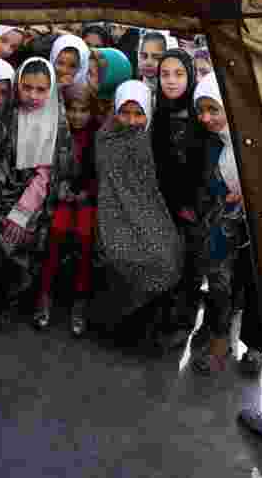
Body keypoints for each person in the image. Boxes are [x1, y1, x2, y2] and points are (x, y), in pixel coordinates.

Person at [0, 58, 74, 330]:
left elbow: (46, 176)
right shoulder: (5, 114)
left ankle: (7, 302)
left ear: (51, 90)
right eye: (27, 87)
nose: (33, 96)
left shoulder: (55, 123)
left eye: (41, 89)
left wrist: (20, 215)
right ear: (17, 86)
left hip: (33, 201)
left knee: (14, 237)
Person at [86, 80, 184, 350]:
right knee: (121, 254)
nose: (131, 121)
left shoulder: (156, 140)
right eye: (124, 112)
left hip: (150, 212)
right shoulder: (105, 138)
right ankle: (118, 328)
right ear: (114, 110)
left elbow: (155, 188)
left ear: (149, 113)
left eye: (138, 113)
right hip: (113, 213)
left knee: (167, 255)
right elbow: (109, 185)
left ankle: (146, 330)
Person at [189, 73, 255, 375]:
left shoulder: (251, 139)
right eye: (201, 110)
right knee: (219, 281)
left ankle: (237, 343)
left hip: (253, 228)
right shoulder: (212, 142)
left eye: (214, 109)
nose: (206, 117)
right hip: (221, 225)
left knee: (244, 285)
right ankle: (218, 337)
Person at [150, 49, 206, 349]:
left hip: (193, 208)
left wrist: (191, 205)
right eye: (165, 74)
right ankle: (162, 317)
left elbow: (202, 167)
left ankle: (182, 324)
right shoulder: (158, 112)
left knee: (189, 267)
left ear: (190, 75)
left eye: (179, 74)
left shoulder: (199, 113)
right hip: (164, 205)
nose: (171, 81)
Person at [34, 82, 99, 336]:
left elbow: (101, 173)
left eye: (84, 110)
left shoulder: (97, 134)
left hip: (86, 200)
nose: (77, 116)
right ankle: (44, 296)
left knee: (85, 240)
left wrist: (86, 193)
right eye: (72, 109)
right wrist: (60, 189)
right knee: (55, 235)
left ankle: (80, 302)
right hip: (58, 197)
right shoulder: (57, 131)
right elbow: (46, 166)